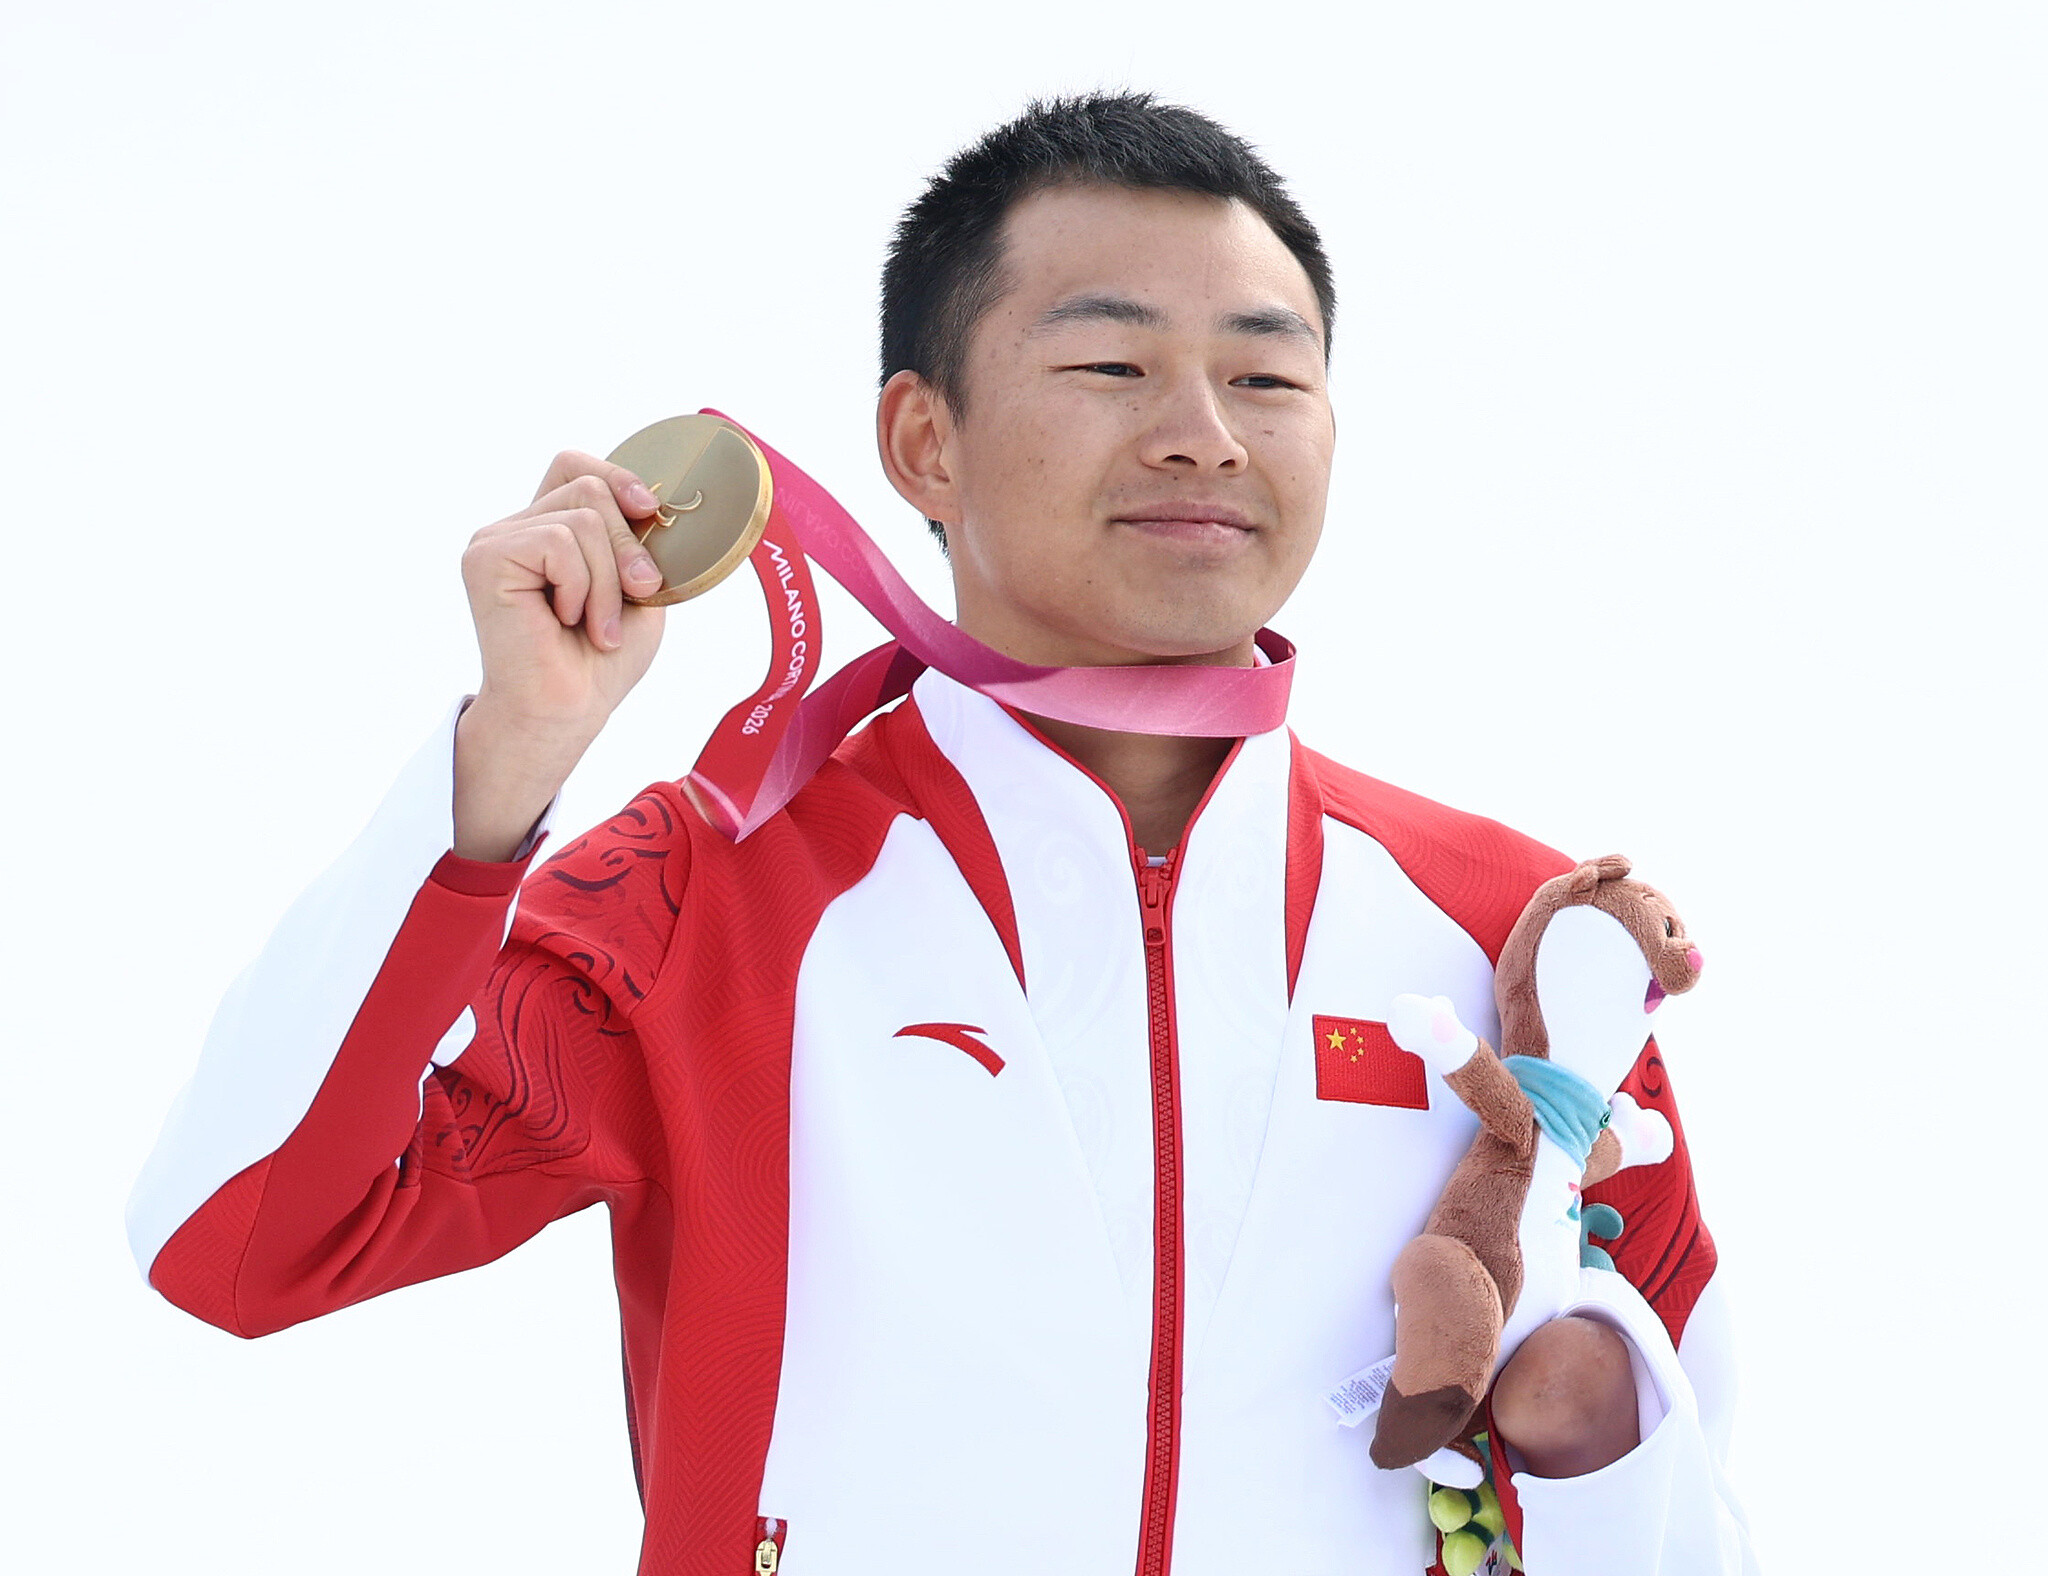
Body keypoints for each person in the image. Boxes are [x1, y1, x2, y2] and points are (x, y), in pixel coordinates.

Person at [126, 93, 1756, 1575]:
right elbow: (240, 1240)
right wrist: (505, 764)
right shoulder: (709, 891)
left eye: (1268, 375)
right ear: (924, 441)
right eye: (1112, 366)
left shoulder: (1519, 937)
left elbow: (1697, 1513)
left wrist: (1597, 1430)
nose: (1206, 431)